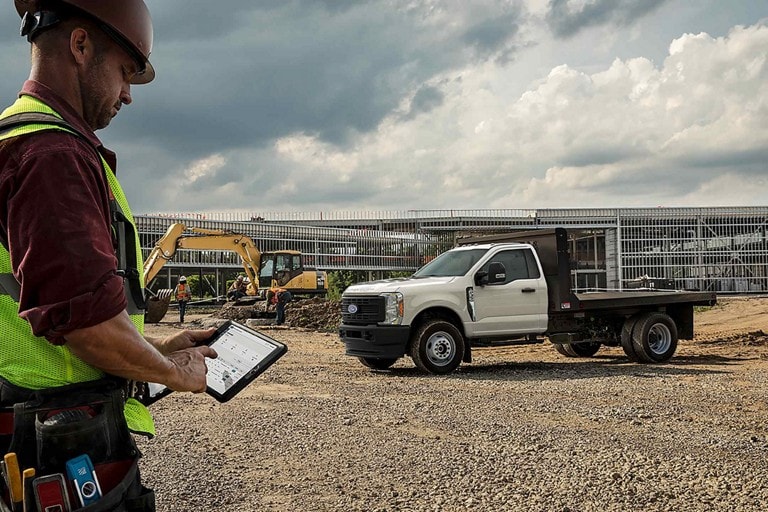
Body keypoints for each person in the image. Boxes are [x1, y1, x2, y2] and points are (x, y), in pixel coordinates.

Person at [0, 0, 216, 507]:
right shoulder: (51, 156)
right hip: (64, 439)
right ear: (80, 45)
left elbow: (55, 320)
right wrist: (172, 373)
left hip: (37, 420)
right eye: (124, 72)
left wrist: (156, 347)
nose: (127, 95)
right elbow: (86, 328)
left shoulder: (20, 138)